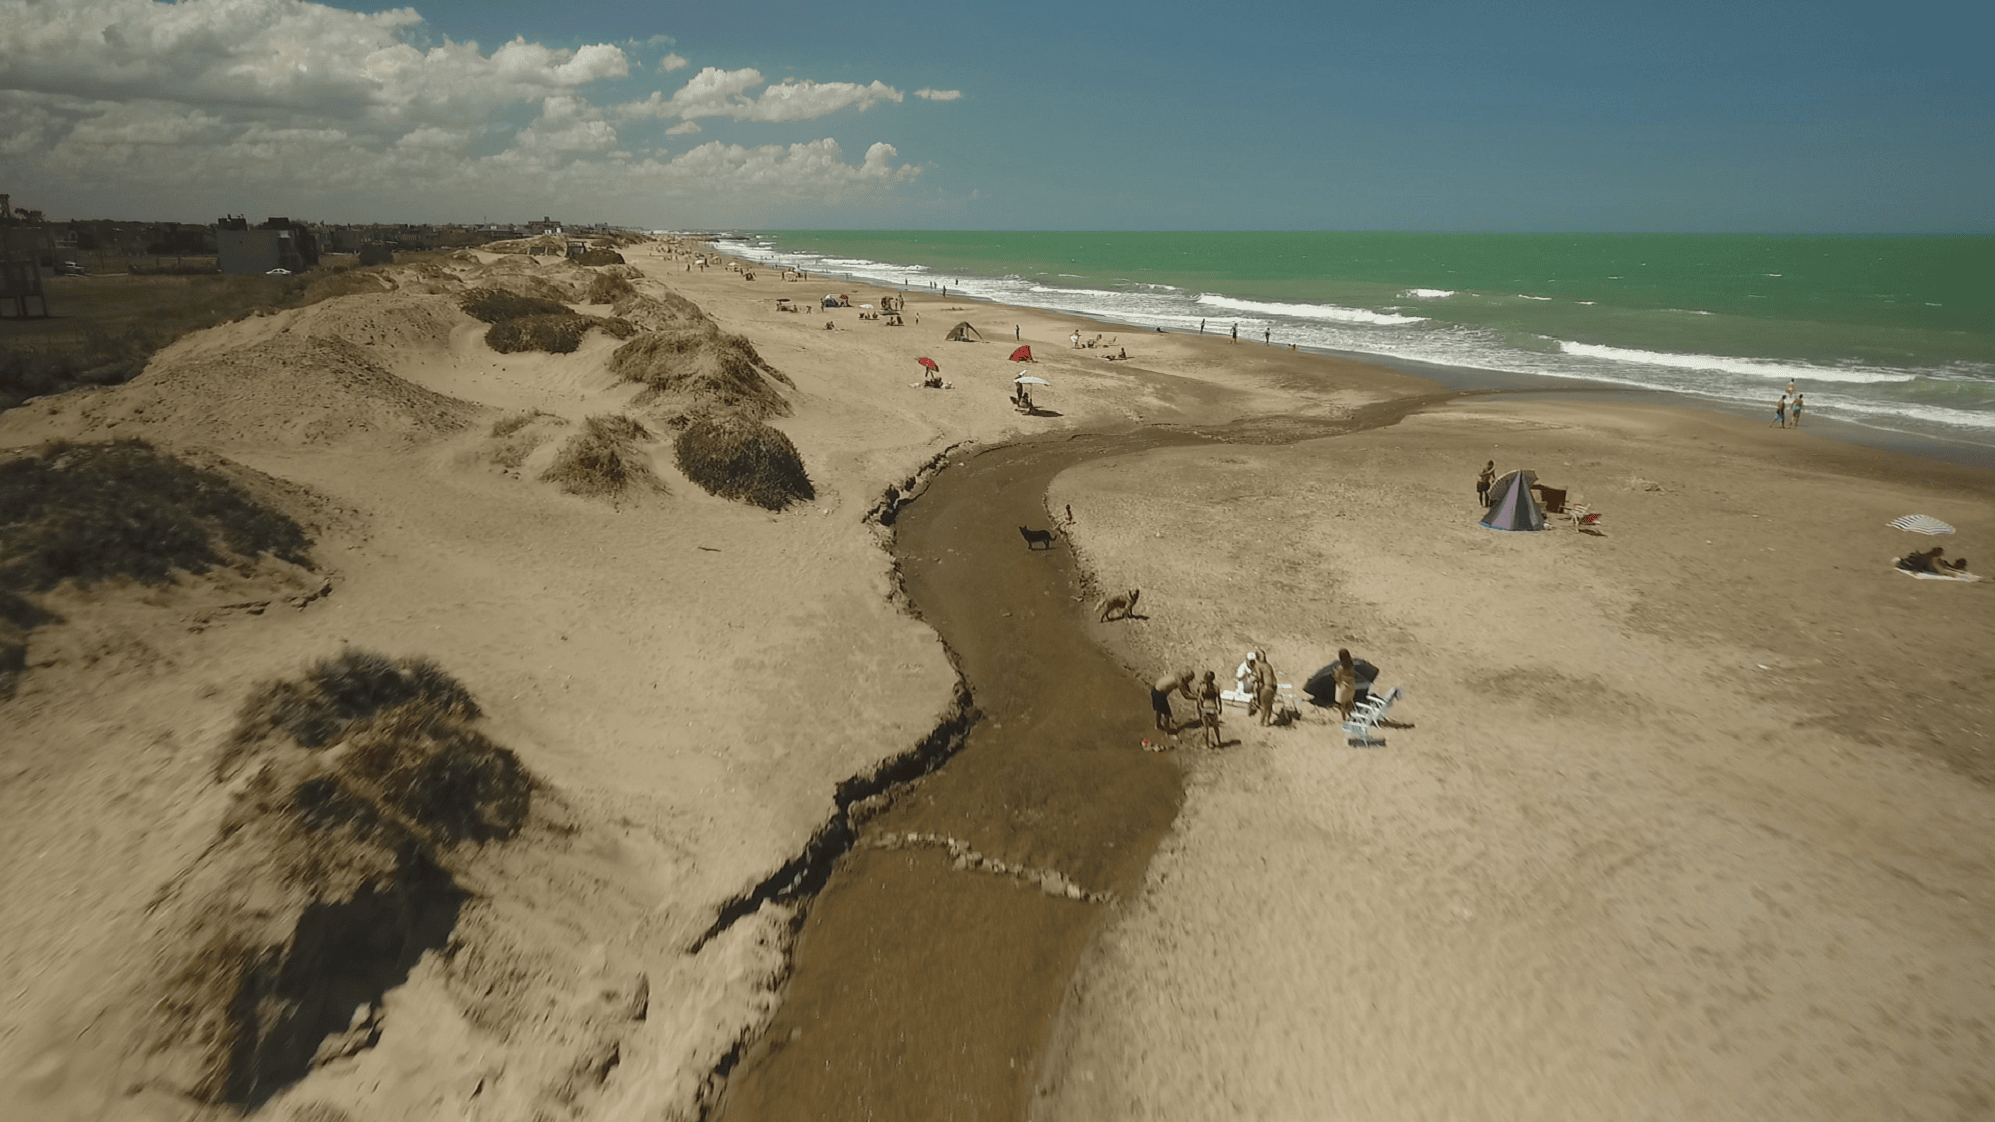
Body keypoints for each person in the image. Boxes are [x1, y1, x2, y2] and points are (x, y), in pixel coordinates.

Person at [1196, 671, 1223, 747]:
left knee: (1206, 728)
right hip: (1213, 709)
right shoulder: (1216, 687)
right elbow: (1219, 699)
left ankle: (1206, 744)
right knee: (1215, 727)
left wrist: (1199, 709)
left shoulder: (1202, 687)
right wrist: (1220, 708)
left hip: (1205, 708)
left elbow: (1199, 699)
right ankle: (1219, 742)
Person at [1332, 648, 1360, 720]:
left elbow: (1338, 679)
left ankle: (1344, 719)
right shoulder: (1352, 665)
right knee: (1350, 702)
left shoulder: (1341, 668)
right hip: (1352, 687)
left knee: (1343, 705)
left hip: (1344, 687)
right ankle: (1351, 715)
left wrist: (1335, 673)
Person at [1254, 655, 1279, 726]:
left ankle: (1261, 722)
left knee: (1264, 706)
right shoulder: (1268, 665)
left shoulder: (1258, 665)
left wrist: (1254, 679)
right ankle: (1267, 721)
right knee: (1269, 705)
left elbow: (1259, 677)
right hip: (1273, 687)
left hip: (1266, 687)